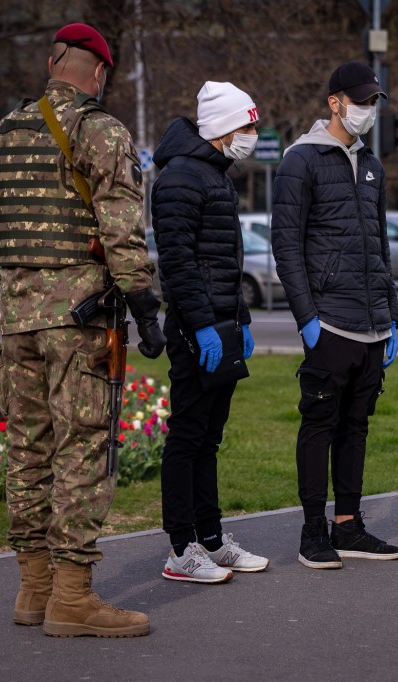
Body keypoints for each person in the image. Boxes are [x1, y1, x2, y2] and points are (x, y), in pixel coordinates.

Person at [0, 23, 166, 637]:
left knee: (27, 452)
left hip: (17, 322)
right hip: (79, 324)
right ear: (100, 73)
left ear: (53, 62)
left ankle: (32, 591)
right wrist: (143, 305)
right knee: (82, 450)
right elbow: (121, 229)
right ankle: (72, 598)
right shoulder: (100, 130)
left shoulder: (2, 135)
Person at [272, 61, 398, 570]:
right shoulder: (299, 161)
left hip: (371, 323)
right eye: (360, 101)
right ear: (334, 102)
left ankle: (348, 526)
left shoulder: (371, 164)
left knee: (357, 426)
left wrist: (391, 315)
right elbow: (287, 247)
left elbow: (379, 246)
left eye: (373, 103)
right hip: (328, 322)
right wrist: (307, 318)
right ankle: (312, 533)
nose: (368, 110)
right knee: (320, 425)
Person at [151, 81, 270, 584]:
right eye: (248, 126)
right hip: (195, 327)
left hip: (221, 321)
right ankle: (182, 548)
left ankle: (213, 539)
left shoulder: (216, 176)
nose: (253, 135)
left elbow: (224, 261)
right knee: (187, 437)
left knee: (209, 439)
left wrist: (240, 318)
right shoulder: (180, 178)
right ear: (222, 128)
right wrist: (200, 326)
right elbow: (177, 262)